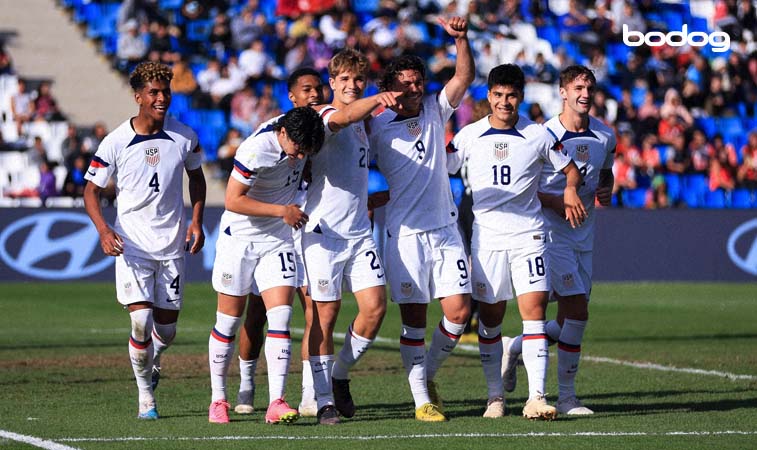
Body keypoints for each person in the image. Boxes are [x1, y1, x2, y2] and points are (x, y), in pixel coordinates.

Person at [448, 64, 585, 420]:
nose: (505, 102)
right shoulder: (468, 135)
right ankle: (495, 396)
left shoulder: (538, 135)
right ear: (489, 96)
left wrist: (570, 189)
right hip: (488, 238)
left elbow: (570, 168)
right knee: (491, 318)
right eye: (498, 95)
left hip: (529, 236)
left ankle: (536, 397)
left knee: (535, 314)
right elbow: (441, 167)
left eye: (511, 95)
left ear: (520, 97)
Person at [83, 61, 207, 420]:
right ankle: (145, 399)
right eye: (153, 92)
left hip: (171, 245)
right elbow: (90, 191)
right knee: (141, 322)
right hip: (132, 244)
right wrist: (105, 231)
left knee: (165, 331)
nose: (161, 97)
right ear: (138, 96)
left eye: (165, 91)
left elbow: (196, 178)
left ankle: (152, 363)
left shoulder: (185, 135)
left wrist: (196, 220)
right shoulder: (117, 141)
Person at [368, 16, 475, 422]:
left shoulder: (434, 109)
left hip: (445, 228)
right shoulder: (375, 125)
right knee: (413, 320)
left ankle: (425, 375)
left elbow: (464, 76)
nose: (414, 89)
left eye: (418, 82)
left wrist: (461, 39)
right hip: (405, 235)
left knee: (459, 312)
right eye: (406, 83)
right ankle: (421, 401)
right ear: (390, 88)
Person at [500, 65, 614, 416]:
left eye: (589, 88)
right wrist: (560, 199)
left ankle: (515, 346)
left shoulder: (606, 135)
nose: (585, 94)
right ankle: (566, 398)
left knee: (569, 320)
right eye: (578, 87)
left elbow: (605, 170)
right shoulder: (542, 134)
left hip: (585, 235)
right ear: (562, 92)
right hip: (549, 234)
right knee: (577, 310)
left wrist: (605, 188)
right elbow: (524, 190)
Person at [206, 106, 325, 425]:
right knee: (228, 322)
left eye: (306, 153)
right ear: (282, 134)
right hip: (239, 239)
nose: (300, 158)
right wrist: (281, 211)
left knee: (281, 319)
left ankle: (276, 401)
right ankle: (218, 400)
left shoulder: (299, 133)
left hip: (277, 241)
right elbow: (232, 200)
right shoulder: (255, 149)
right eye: (297, 151)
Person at [303, 49, 401, 425]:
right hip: (323, 234)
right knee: (324, 316)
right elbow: (343, 116)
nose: (351, 85)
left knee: (375, 308)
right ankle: (324, 400)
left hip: (359, 232)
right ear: (332, 83)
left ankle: (339, 374)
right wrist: (376, 99)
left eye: (358, 80)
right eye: (344, 79)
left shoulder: (364, 125)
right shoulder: (324, 115)